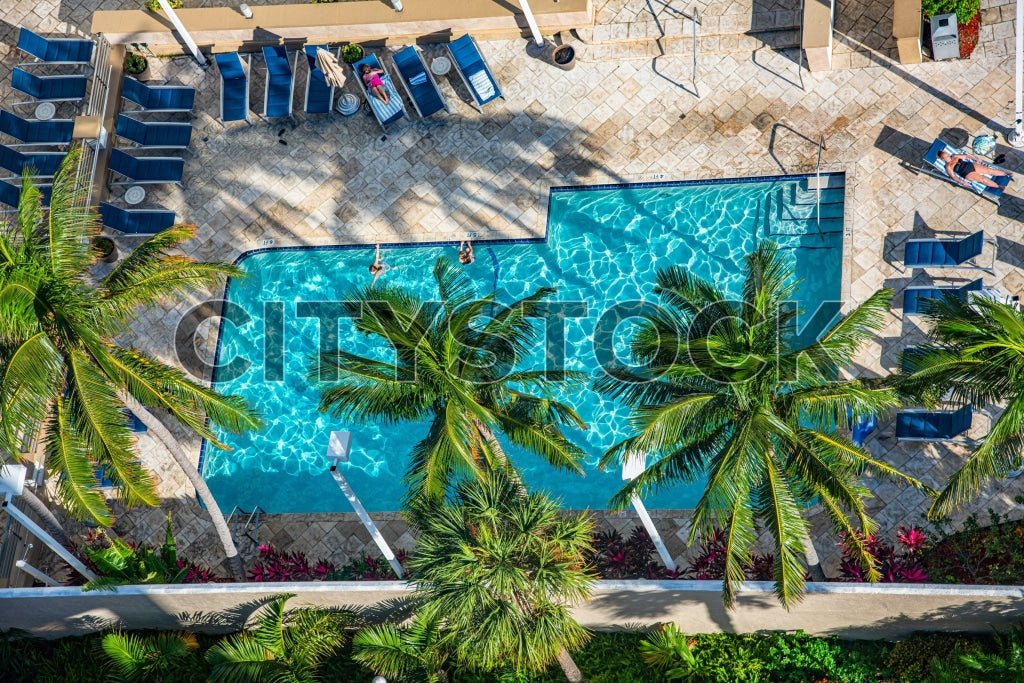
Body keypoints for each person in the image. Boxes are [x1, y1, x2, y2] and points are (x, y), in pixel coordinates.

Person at [938, 149, 1012, 189]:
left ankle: (1006, 174)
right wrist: (962, 182)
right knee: (984, 180)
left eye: (947, 155)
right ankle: (999, 187)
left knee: (990, 170)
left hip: (971, 165)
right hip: (966, 174)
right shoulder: (948, 167)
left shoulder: (955, 156)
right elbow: (953, 177)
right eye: (946, 157)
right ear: (943, 159)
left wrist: (976, 159)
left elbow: (966, 156)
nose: (948, 156)